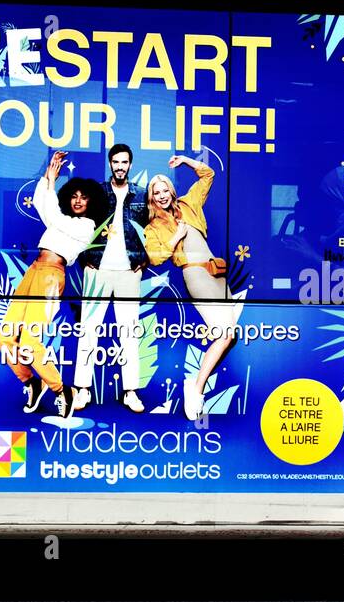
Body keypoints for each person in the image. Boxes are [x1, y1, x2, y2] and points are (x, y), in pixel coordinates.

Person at [0, 150, 106, 418]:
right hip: (33, 272)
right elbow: (42, 204)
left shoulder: (85, 226)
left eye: (84, 197)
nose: (78, 200)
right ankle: (30, 382)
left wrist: (51, 183)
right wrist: (48, 177)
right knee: (4, 337)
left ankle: (61, 390)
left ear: (91, 202)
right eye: (74, 196)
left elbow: (52, 213)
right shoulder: (60, 221)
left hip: (51, 276)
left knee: (30, 342)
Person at [144, 153, 239, 421]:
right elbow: (155, 257)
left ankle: (197, 385)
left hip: (218, 274)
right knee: (224, 334)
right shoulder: (153, 226)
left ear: (172, 191)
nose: (162, 195)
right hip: (195, 276)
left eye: (165, 190)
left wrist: (186, 160)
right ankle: (195, 389)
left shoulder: (188, 204)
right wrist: (177, 236)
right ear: (152, 197)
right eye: (156, 192)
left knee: (229, 335)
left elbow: (208, 175)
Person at [71, 143, 149, 414]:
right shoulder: (99, 193)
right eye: (115, 162)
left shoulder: (141, 195)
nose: (119, 167)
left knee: (129, 333)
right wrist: (85, 260)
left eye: (124, 162)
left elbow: (153, 229)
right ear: (110, 164)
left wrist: (144, 261)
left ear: (130, 164)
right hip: (98, 269)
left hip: (129, 272)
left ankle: (130, 392)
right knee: (88, 332)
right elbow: (79, 223)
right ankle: (82, 389)